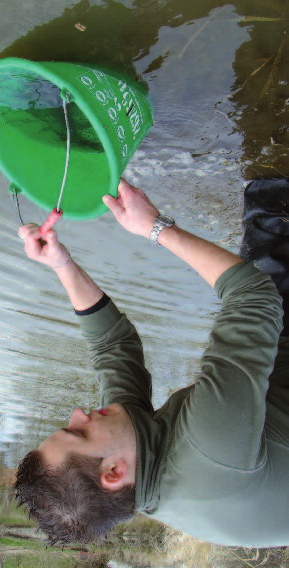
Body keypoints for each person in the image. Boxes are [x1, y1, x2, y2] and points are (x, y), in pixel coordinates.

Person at [14, 177, 289, 547]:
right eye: (77, 432)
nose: (79, 413)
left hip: (277, 382)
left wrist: (61, 263)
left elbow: (115, 346)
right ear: (113, 472)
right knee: (265, 246)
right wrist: (157, 228)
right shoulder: (209, 454)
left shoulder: (132, 457)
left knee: (270, 204)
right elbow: (254, 297)